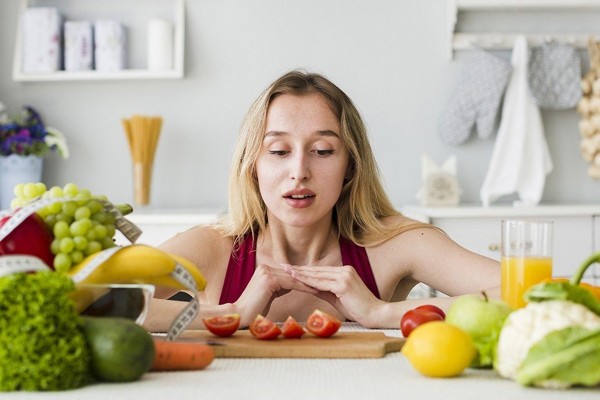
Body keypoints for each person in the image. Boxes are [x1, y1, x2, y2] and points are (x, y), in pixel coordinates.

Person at [143, 70, 500, 332]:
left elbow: (536, 293)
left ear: (350, 166)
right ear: (253, 166)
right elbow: (96, 300)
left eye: (323, 151)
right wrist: (233, 312)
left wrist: (381, 313)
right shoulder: (212, 248)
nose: (299, 171)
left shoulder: (395, 244)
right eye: (279, 151)